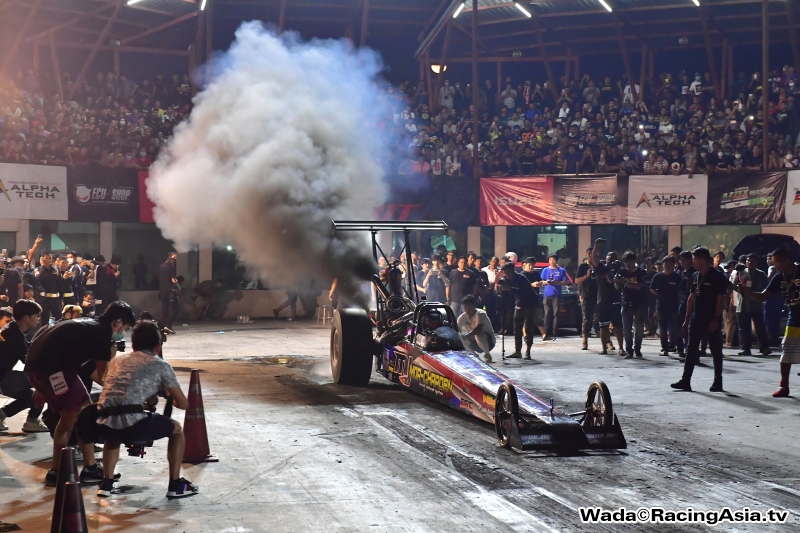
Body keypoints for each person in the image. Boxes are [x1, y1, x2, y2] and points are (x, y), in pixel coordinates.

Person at [24, 301, 137, 486]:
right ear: (117, 322)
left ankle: (56, 470)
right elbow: (104, 376)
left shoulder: (89, 325)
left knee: (69, 415)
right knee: (84, 412)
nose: (122, 333)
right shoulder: (103, 334)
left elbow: (92, 371)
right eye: (124, 328)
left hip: (36, 369)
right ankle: (90, 469)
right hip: (54, 371)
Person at [92, 320, 198, 499]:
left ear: (133, 345)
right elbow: (184, 404)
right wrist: (167, 394)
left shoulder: (116, 361)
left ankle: (106, 483)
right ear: (158, 346)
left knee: (114, 434)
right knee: (177, 430)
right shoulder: (160, 365)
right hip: (133, 426)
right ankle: (175, 484)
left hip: (101, 423)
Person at [736, 248, 800, 397]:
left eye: (776, 262)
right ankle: (784, 385)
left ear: (786, 260)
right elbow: (764, 296)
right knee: (786, 351)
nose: (774, 265)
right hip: (794, 318)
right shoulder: (779, 278)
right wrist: (746, 291)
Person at [671, 247, 728, 393]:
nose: (693, 262)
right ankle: (685, 380)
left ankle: (718, 381)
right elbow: (691, 298)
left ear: (703, 260)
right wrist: (687, 318)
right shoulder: (695, 276)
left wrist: (716, 318)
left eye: (695, 259)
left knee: (715, 350)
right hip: (697, 319)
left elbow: (720, 299)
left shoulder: (717, 276)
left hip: (711, 319)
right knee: (691, 349)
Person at [0, 300, 48, 433]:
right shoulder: (13, 334)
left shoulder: (12, 329)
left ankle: (0, 416)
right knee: (44, 382)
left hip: (4, 376)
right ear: (26, 318)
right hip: (3, 378)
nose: (38, 320)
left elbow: (28, 349)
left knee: (29, 397)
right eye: (36, 316)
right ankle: (32, 421)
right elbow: (30, 361)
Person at [497, 262, 538, 359]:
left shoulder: (521, 278)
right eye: (504, 272)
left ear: (512, 271)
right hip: (519, 304)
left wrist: (510, 288)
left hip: (529, 303)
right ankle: (518, 351)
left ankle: (528, 351)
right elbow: (504, 291)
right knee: (517, 328)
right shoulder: (506, 279)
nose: (506, 274)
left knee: (528, 327)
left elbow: (522, 291)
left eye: (508, 271)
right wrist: (501, 288)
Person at [733, 253, 770, 356]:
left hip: (756, 305)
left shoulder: (761, 274)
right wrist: (738, 288)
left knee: (760, 327)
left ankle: (764, 347)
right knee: (744, 328)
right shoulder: (740, 273)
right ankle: (745, 348)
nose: (749, 263)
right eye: (748, 261)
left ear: (756, 263)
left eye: (752, 261)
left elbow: (767, 288)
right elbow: (734, 286)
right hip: (742, 305)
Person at [615, 252, 647, 359]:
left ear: (634, 261)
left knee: (639, 328)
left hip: (640, 302)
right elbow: (617, 287)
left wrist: (625, 282)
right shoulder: (621, 272)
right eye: (626, 262)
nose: (628, 264)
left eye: (630, 261)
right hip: (626, 302)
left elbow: (639, 286)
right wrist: (617, 281)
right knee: (626, 329)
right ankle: (629, 350)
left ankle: (637, 349)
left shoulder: (641, 272)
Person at [650, 256, 684, 358]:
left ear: (673, 264)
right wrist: (659, 294)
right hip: (661, 307)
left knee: (677, 329)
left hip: (674, 306)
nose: (667, 265)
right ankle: (664, 349)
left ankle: (680, 350)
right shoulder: (658, 277)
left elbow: (681, 289)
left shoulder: (677, 277)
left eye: (670, 263)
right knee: (663, 329)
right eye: (665, 263)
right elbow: (651, 288)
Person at [457, 295, 495, 363]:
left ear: (474, 305)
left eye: (469, 307)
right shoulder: (462, 317)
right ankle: (474, 355)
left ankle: (487, 355)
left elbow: (478, 329)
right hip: (474, 342)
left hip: (488, 342)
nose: (467, 309)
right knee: (461, 338)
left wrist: (467, 336)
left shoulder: (480, 314)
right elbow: (457, 329)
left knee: (478, 334)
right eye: (465, 307)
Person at [540, 254, 569, 340]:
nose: (552, 261)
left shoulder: (561, 270)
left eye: (553, 260)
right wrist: (547, 282)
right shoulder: (545, 270)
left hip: (557, 294)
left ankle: (555, 331)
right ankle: (546, 331)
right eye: (550, 260)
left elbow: (565, 281)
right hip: (547, 294)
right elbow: (542, 281)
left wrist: (556, 283)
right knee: (547, 313)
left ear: (556, 260)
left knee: (556, 313)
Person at [575, 248, 597, 350]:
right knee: (586, 319)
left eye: (592, 253)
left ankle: (607, 341)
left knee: (601, 319)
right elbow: (577, 281)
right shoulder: (583, 266)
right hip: (587, 295)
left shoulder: (599, 265)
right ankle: (584, 341)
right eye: (589, 253)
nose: (591, 255)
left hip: (599, 295)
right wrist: (586, 276)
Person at [158, 252, 178, 334]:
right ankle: (168, 325)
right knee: (174, 308)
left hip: (162, 290)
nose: (175, 260)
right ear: (170, 257)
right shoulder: (171, 266)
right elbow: (173, 280)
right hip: (170, 290)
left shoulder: (161, 266)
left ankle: (162, 326)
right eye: (174, 258)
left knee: (164, 309)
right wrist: (177, 282)